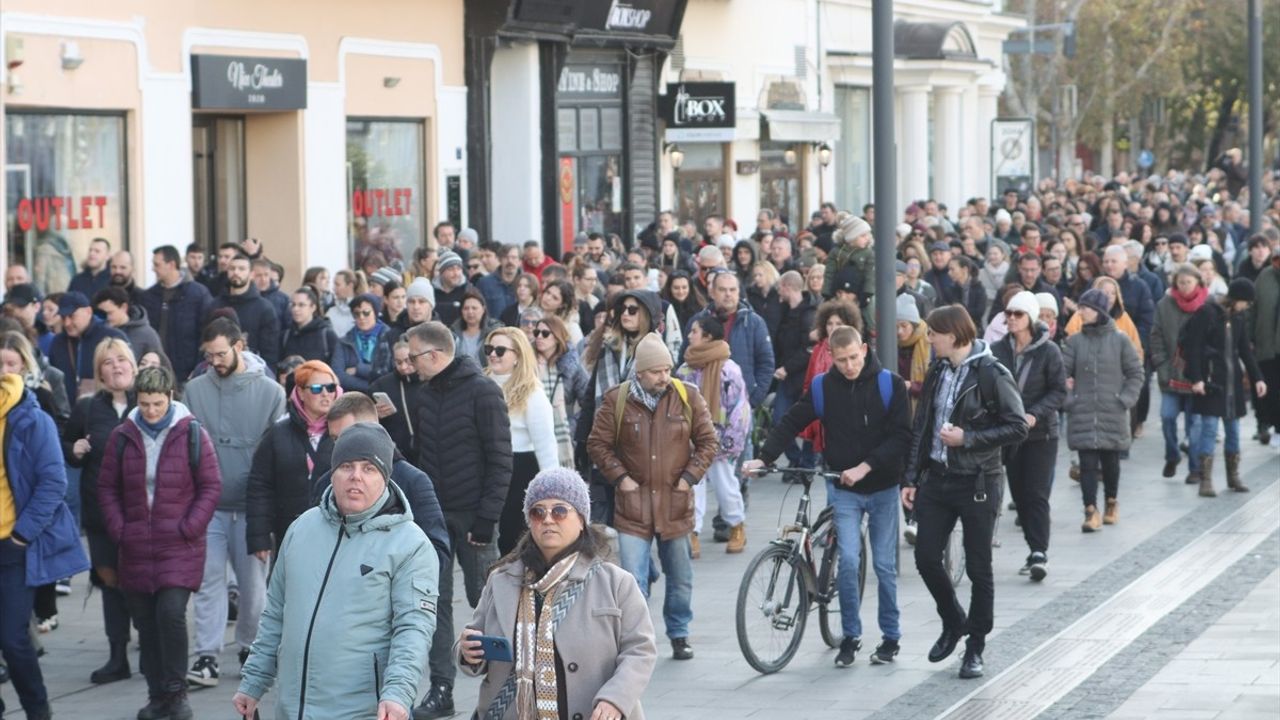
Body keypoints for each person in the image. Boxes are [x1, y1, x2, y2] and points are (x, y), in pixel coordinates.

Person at [233, 423, 438, 720]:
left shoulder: (411, 545)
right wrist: (253, 682)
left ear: (385, 476)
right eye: (346, 466)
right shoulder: (302, 528)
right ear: (333, 472)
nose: (356, 476)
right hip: (291, 709)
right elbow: (275, 613)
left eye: (369, 468)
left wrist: (398, 694)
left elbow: (413, 630)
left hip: (360, 711)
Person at [750, 325, 913, 667]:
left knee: (884, 566)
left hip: (882, 486)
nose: (849, 366)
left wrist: (866, 467)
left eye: (853, 358)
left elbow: (902, 437)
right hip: (843, 488)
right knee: (849, 562)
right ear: (832, 359)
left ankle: (890, 638)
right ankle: (850, 637)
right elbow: (793, 420)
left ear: (864, 351)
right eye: (841, 361)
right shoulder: (824, 387)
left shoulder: (890, 385)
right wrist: (764, 458)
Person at [456, 468, 656, 720]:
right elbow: (475, 641)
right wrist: (467, 652)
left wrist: (615, 699)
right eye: (538, 512)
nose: (548, 519)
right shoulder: (502, 580)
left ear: (582, 519)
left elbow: (640, 650)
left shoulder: (616, 582)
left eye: (560, 511)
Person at [902, 305, 1028, 680]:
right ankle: (954, 620)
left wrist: (967, 439)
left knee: (978, 567)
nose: (928, 339)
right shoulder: (939, 369)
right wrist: (911, 477)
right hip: (938, 480)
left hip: (978, 482)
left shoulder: (992, 373)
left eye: (933, 333)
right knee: (926, 557)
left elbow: (1018, 427)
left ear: (953, 335)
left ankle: (975, 645)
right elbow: (922, 426)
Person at [98, 365, 220, 720]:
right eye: (145, 403)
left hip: (179, 543)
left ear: (170, 397)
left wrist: (191, 526)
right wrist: (120, 528)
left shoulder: (192, 433)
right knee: (146, 624)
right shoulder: (124, 435)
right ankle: (156, 695)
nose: (151, 410)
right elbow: (106, 487)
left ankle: (176, 692)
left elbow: (211, 485)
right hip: (135, 544)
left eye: (157, 403)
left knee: (170, 614)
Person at [405, 321, 512, 719]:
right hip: (434, 517)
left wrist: (487, 518)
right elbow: (420, 454)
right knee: (433, 604)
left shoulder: (484, 392)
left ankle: (505, 685)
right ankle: (442, 688)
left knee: (490, 603)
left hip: (476, 520)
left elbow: (502, 459)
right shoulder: (424, 395)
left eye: (414, 356)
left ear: (434, 354)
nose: (410, 364)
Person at [587, 333, 718, 660]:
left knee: (681, 577)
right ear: (640, 373)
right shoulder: (616, 400)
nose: (665, 377)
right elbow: (597, 444)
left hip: (675, 503)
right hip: (633, 507)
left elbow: (708, 442)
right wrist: (622, 479)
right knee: (632, 580)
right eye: (657, 371)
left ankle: (678, 633)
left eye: (667, 369)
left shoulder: (687, 396)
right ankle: (638, 640)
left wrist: (689, 479)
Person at [183, 317, 287, 687]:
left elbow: (275, 453)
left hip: (250, 505)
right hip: (208, 504)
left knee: (253, 587)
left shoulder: (271, 393)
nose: (215, 362)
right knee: (209, 582)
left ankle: (249, 647)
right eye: (209, 356)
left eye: (221, 354)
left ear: (239, 346)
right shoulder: (194, 390)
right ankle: (207, 655)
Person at [0, 363, 90, 720]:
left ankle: (38, 710)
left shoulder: (31, 418)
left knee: (12, 638)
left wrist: (22, 535)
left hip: (13, 546)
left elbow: (53, 482)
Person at [61, 337, 139, 685]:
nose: (116, 366)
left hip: (146, 516)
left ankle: (153, 653)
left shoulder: (152, 402)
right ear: (99, 371)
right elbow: (64, 444)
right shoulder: (88, 408)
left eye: (121, 359)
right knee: (111, 584)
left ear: (133, 365)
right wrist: (74, 448)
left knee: (144, 585)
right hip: (102, 516)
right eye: (107, 362)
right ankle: (117, 656)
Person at [317, 393, 450, 574]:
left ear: (374, 427)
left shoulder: (413, 481)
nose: (341, 446)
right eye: (335, 439)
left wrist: (379, 573)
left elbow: (437, 554)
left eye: (348, 435)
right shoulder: (326, 482)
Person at [991, 292, 1066, 580]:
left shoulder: (1049, 352)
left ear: (1031, 319)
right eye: (1008, 313)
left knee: (1035, 493)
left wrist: (1035, 413)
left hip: (1040, 434)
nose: (1011, 319)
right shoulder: (997, 350)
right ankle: (1032, 548)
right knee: (1019, 494)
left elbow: (1058, 390)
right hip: (1008, 433)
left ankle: (1039, 552)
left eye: (1017, 314)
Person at [1063, 289, 1144, 531]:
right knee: (1087, 463)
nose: (1081, 311)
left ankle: (1111, 502)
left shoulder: (1120, 340)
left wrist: (1125, 400)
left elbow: (1135, 373)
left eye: (1085, 308)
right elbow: (1060, 375)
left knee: (1110, 462)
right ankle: (1090, 511)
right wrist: (1069, 400)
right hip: (1083, 411)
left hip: (1113, 411)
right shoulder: (1075, 341)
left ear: (1098, 311)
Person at [1181, 279, 1268, 497]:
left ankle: (1233, 476)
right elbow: (1194, 347)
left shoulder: (1238, 318)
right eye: (1246, 302)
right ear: (1237, 298)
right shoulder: (1207, 313)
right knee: (1209, 429)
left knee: (1234, 431)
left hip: (1233, 385)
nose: (1247, 307)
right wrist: (1197, 379)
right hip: (1212, 382)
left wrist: (1258, 378)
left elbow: (1245, 351)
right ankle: (1206, 479)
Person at [246, 360, 339, 560]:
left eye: (330, 387)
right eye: (316, 388)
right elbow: (260, 485)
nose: (325, 394)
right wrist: (259, 536)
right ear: (301, 393)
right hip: (290, 532)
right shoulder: (278, 433)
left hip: (338, 533)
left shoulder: (348, 430)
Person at [675, 316, 751, 556]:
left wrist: (729, 442)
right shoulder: (685, 370)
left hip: (720, 442)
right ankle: (692, 532)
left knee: (726, 487)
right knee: (692, 488)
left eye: (694, 331)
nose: (690, 335)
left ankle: (737, 526)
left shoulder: (729, 370)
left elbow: (740, 409)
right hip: (691, 442)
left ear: (707, 336)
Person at [483, 327, 559, 555]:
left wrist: (551, 489)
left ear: (517, 355)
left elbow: (546, 445)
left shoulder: (532, 392)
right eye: (489, 349)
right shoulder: (481, 384)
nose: (493, 354)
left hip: (521, 469)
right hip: (486, 465)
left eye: (500, 350)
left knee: (513, 541)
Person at [1151, 264, 1207, 483]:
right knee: (1167, 417)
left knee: (1195, 425)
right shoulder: (1165, 305)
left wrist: (1205, 373)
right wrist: (1162, 366)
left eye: (1188, 282)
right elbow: (1156, 337)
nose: (1184, 287)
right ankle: (1172, 455)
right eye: (1180, 282)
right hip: (1171, 373)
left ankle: (1195, 468)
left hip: (1196, 377)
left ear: (1197, 282)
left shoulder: (1207, 305)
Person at [686, 271, 775, 409]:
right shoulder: (698, 321)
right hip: (700, 403)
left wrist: (752, 400)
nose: (728, 294)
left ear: (739, 292)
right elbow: (685, 357)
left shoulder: (754, 322)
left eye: (732, 289)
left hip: (741, 404)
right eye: (722, 289)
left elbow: (766, 364)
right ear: (712, 292)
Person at [140, 245, 214, 383]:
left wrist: (199, 366)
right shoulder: (149, 296)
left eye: (157, 264)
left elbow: (206, 333)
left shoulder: (198, 294)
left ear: (171, 264)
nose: (153, 269)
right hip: (155, 372)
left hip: (187, 374)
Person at [531, 315, 589, 470]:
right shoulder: (527, 364)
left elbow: (588, 403)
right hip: (531, 434)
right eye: (537, 333)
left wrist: (573, 424)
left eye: (545, 333)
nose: (539, 337)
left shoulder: (571, 367)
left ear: (557, 337)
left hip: (561, 436)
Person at [47, 291, 128, 400]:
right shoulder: (58, 342)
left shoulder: (112, 337)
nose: (67, 323)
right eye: (63, 317)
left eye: (72, 316)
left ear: (88, 312)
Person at [212, 253, 281, 368]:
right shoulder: (215, 305)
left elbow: (270, 351)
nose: (236, 272)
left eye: (242, 269)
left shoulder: (264, 308)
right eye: (232, 268)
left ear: (251, 274)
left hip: (253, 372)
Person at [370, 338, 423, 460]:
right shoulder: (381, 385)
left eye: (408, 361)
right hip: (397, 452)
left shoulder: (429, 379)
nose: (404, 367)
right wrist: (375, 414)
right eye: (398, 362)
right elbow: (367, 419)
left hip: (426, 451)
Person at [333, 293, 393, 392]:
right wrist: (370, 387)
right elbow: (338, 375)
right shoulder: (344, 341)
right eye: (357, 314)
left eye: (366, 313)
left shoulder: (390, 337)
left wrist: (358, 370)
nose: (361, 317)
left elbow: (387, 372)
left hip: (384, 397)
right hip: (352, 398)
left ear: (375, 313)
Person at [93, 286, 164, 364]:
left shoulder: (147, 335)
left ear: (124, 307)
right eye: (101, 315)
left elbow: (161, 367)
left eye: (109, 313)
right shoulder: (97, 333)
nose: (106, 318)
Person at [281, 286, 341, 364]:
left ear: (313, 307)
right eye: (293, 305)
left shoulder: (327, 335)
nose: (295, 309)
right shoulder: (285, 336)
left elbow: (337, 366)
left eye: (301, 305)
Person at [450, 288, 502, 369]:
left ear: (483, 309)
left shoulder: (494, 332)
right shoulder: (452, 333)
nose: (470, 312)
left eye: (474, 308)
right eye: (466, 308)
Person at [326, 269, 359, 337]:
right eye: (334, 284)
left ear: (350, 285)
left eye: (337, 285)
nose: (334, 288)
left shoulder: (361, 310)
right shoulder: (330, 312)